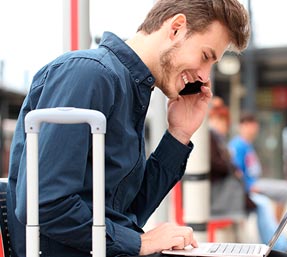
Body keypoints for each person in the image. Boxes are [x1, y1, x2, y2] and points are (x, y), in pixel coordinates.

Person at [7, 1, 250, 256]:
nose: (205, 76)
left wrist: (179, 135)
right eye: (205, 56)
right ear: (176, 28)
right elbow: (43, 203)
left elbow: (130, 213)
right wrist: (140, 243)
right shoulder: (90, 74)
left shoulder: (131, 91)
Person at [228, 113, 287, 256]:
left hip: (254, 183)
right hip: (249, 187)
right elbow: (235, 173)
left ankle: (275, 234)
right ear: (242, 126)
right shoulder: (238, 145)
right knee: (267, 200)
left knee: (285, 190)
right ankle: (277, 242)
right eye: (249, 125)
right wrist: (249, 187)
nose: (253, 129)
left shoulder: (247, 145)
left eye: (255, 126)